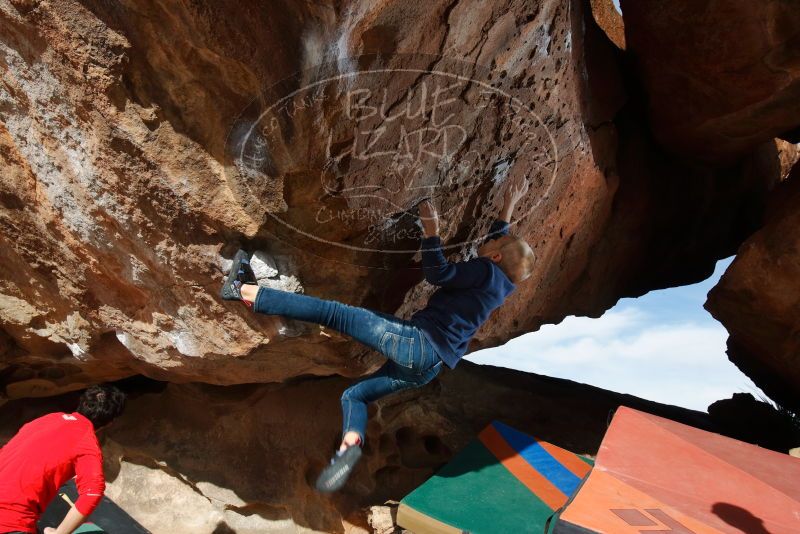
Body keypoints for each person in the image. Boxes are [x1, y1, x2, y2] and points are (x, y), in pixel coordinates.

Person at [221, 181, 534, 492]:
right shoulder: (501, 286)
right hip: (428, 367)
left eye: (496, 245)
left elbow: (440, 274)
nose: (493, 240)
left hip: (417, 343)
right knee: (355, 395)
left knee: (333, 314)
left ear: (494, 259)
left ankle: (245, 291)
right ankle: (350, 443)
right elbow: (499, 243)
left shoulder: (485, 270)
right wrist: (509, 204)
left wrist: (431, 232)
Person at [0, 384, 126, 534]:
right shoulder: (87, 443)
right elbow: (93, 493)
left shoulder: (45, 420)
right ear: (110, 422)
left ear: (82, 401)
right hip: (12, 523)